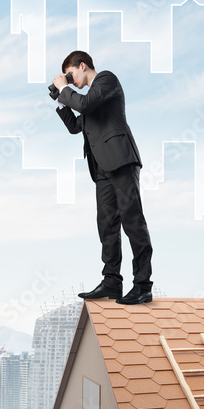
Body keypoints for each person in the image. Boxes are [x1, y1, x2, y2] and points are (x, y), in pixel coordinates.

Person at [51, 50, 154, 305]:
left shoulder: (107, 80)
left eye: (71, 74)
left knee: (132, 222)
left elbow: (84, 104)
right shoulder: (87, 99)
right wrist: (63, 101)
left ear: (82, 66)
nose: (70, 79)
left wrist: (65, 89)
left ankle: (142, 285)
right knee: (107, 226)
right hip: (101, 169)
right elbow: (77, 127)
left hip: (121, 160)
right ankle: (112, 283)